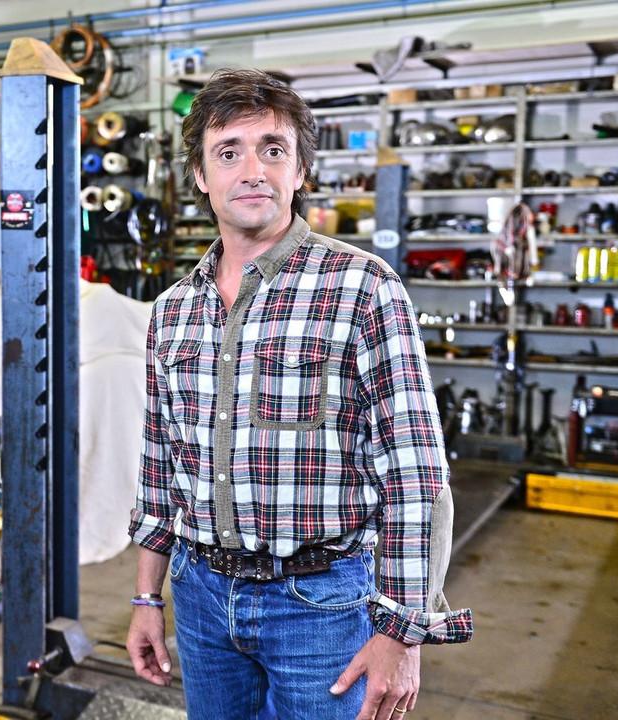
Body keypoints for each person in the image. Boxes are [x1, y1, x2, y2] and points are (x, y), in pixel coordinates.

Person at [125, 68, 473, 720]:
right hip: (200, 598)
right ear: (200, 175)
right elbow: (159, 468)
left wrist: (403, 631)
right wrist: (147, 599)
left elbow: (416, 472)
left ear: (301, 170)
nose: (252, 170)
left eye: (272, 149)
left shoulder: (362, 287)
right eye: (228, 152)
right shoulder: (172, 310)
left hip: (322, 605)